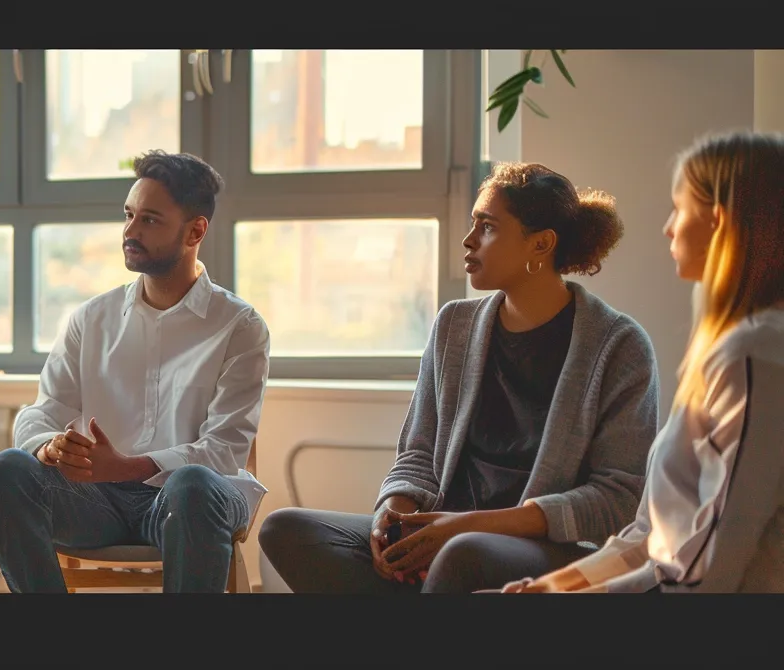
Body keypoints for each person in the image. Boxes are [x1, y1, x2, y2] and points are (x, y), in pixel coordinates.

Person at [259, 162, 661, 593]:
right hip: (449, 533)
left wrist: (467, 526)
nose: (468, 240)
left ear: (541, 244)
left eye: (487, 227)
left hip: (543, 547)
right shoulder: (455, 325)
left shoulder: (619, 346)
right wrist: (392, 516)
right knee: (287, 529)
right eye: (473, 223)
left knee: (463, 553)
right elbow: (417, 454)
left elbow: (618, 499)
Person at [503, 131, 784, 593]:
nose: (668, 227)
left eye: (679, 208)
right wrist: (552, 588)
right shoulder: (730, 350)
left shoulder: (755, 357)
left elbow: (708, 570)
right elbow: (652, 538)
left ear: (719, 221)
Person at [0, 150, 271, 593]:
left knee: (194, 484)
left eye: (150, 220)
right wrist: (50, 447)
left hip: (191, 500)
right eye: (129, 215)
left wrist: (128, 466)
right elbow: (41, 412)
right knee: (8, 469)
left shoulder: (240, 327)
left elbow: (224, 452)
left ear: (196, 230)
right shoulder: (91, 318)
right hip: (97, 503)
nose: (130, 232)